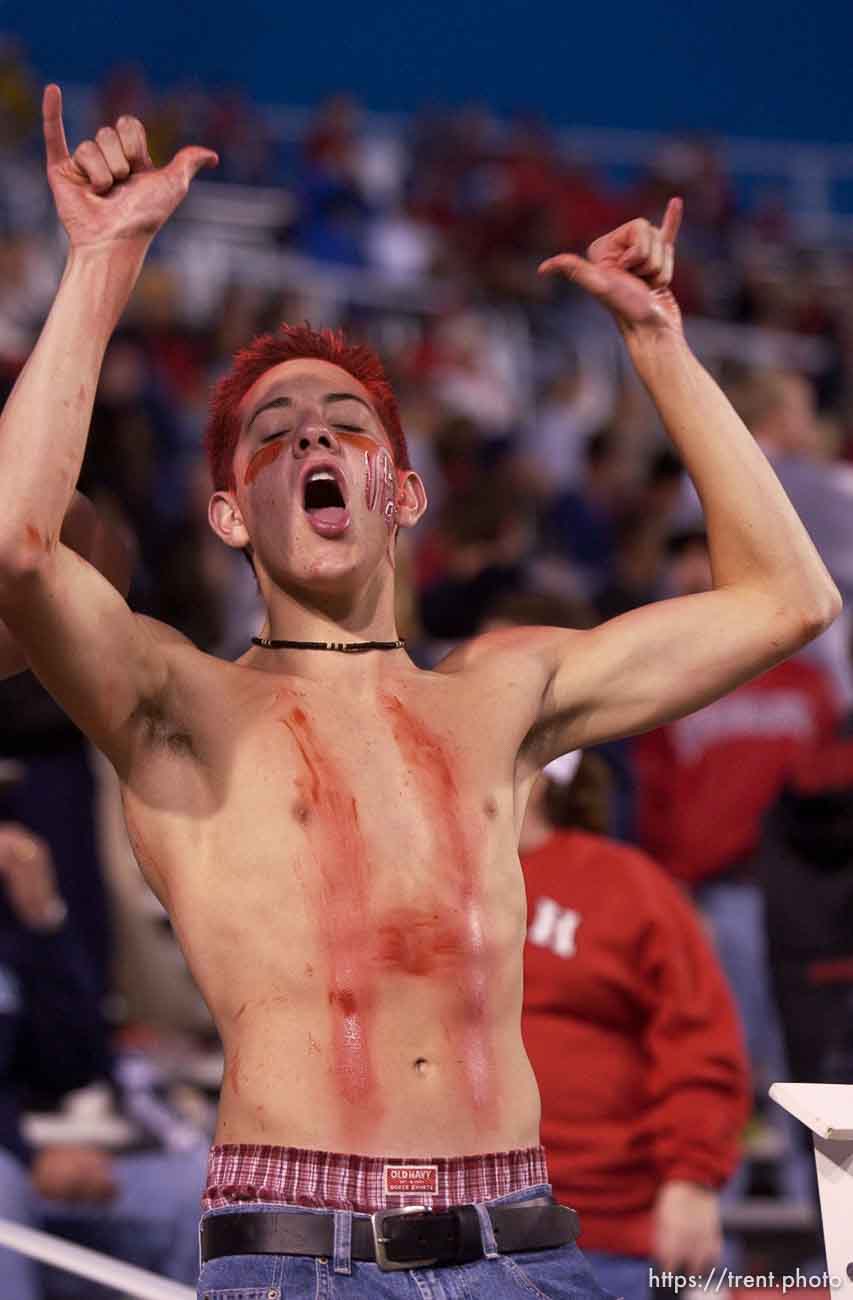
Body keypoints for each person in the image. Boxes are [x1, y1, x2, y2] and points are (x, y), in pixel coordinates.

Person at [0, 85, 839, 1298]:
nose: (313, 442)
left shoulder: (497, 695)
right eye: (273, 434)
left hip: (524, 1247)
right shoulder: (174, 702)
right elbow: (18, 549)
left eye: (345, 425)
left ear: (402, 493)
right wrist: (104, 259)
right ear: (230, 513)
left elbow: (788, 601)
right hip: (299, 1254)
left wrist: (659, 342)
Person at [518, 749, 749, 1300]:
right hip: (452, 1234)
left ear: (540, 781)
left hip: (601, 1234)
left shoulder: (625, 883)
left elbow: (700, 1040)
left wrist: (692, 1177)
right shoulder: (426, 885)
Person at [0, 822, 207, 1299]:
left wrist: (42, 919)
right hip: (12, 1170)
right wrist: (27, 1157)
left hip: (32, 1164)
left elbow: (75, 1065)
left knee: (195, 1190)